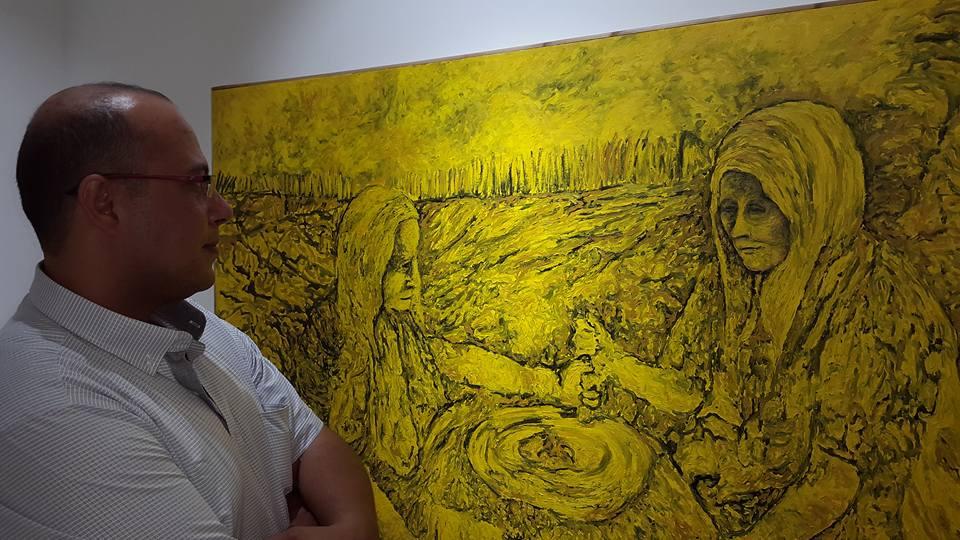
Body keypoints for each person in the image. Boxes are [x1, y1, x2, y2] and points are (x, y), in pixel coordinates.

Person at [0, 82, 378, 539]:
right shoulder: (54, 411)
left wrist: (353, 527)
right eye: (197, 185)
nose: (223, 209)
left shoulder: (208, 333)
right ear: (104, 202)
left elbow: (313, 443)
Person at [578, 100, 960, 538]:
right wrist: (614, 367)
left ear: (808, 205)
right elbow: (696, 393)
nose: (738, 229)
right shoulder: (731, 283)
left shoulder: (877, 299)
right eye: (728, 210)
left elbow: (837, 479)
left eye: (758, 208)